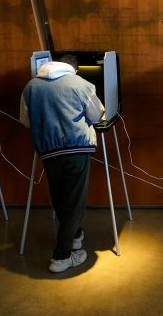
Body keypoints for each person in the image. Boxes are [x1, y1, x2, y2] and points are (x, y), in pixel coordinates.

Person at [20, 54, 104, 273]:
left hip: (48, 150)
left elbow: (25, 120)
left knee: (59, 197)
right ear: (73, 69)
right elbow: (96, 115)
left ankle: (75, 235)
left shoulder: (31, 87)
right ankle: (62, 256)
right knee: (74, 200)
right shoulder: (81, 84)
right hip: (77, 148)